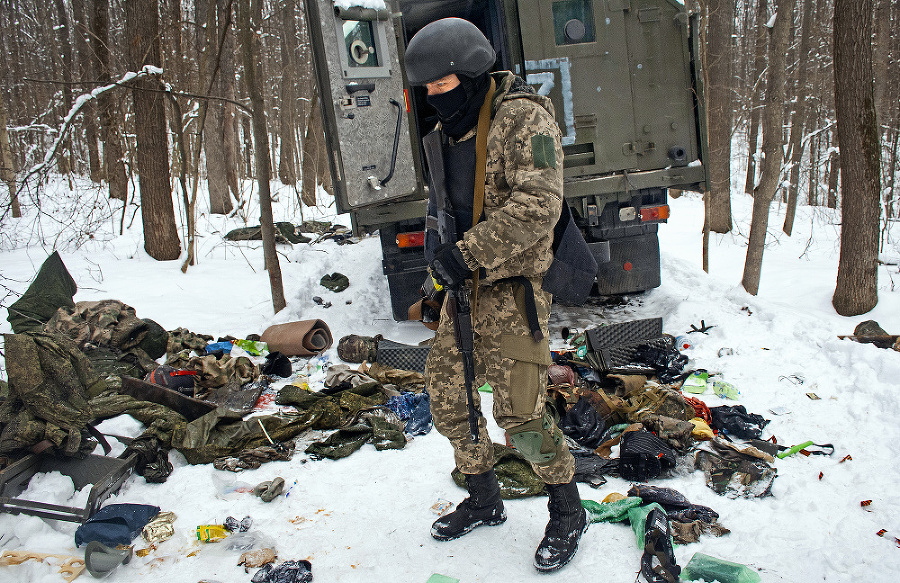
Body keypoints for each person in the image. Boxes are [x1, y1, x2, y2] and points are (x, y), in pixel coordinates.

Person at [404, 17, 588, 573]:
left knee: (523, 416)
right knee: (450, 402)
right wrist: (440, 274)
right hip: (463, 293)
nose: (437, 99)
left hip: (511, 290)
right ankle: (485, 498)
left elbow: (538, 207)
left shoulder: (524, 119)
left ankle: (566, 509)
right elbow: (448, 215)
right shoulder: (448, 134)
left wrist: (466, 255)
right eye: (428, 90)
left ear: (473, 72)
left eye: (444, 86)